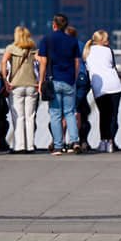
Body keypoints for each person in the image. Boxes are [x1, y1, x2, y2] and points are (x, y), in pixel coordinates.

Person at [37, 14, 81, 155]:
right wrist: (73, 78)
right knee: (70, 112)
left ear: (54, 25)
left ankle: (58, 146)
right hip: (69, 80)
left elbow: (43, 62)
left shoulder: (47, 39)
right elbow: (77, 62)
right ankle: (75, 141)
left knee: (55, 113)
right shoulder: (72, 41)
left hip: (53, 79)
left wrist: (41, 81)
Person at [83, 30, 121, 153]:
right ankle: (111, 142)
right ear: (103, 40)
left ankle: (103, 141)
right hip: (114, 84)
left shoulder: (87, 51)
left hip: (99, 86)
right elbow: (113, 66)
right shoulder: (108, 51)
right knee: (113, 115)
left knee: (104, 115)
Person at [1, 26, 38, 153]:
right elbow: (40, 62)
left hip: (16, 85)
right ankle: (30, 145)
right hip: (32, 85)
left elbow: (4, 62)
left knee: (18, 116)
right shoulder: (32, 48)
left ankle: (19, 145)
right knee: (30, 116)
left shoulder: (11, 48)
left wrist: (6, 80)